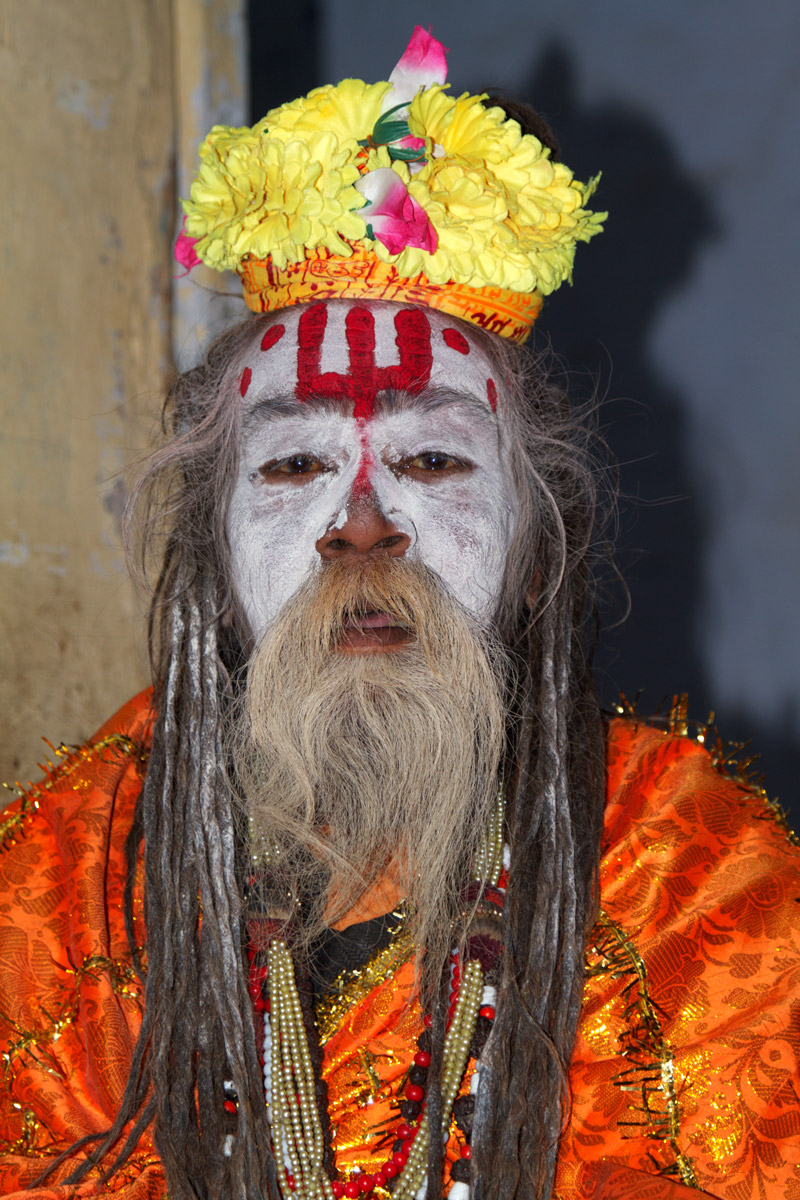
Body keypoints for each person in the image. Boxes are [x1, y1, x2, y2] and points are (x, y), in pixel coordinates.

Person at [0, 27, 798, 1200]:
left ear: (533, 552)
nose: (360, 524)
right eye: (289, 470)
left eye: (431, 459)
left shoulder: (693, 891)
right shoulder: (64, 888)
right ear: (213, 559)